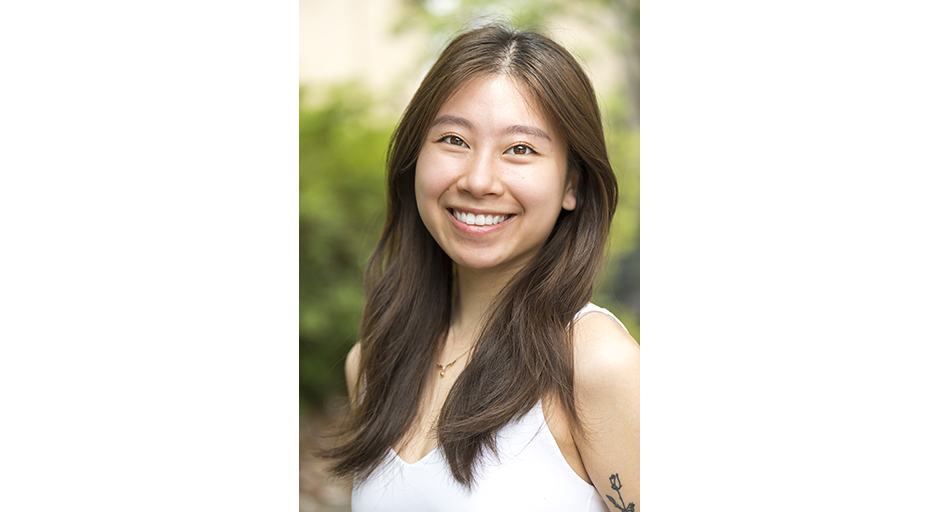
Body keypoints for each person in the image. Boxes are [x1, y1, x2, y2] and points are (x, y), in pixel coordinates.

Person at [322, 24, 639, 512]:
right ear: (414, 159)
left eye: (520, 149)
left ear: (572, 184)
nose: (478, 179)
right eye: (453, 139)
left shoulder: (595, 363)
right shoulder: (373, 363)